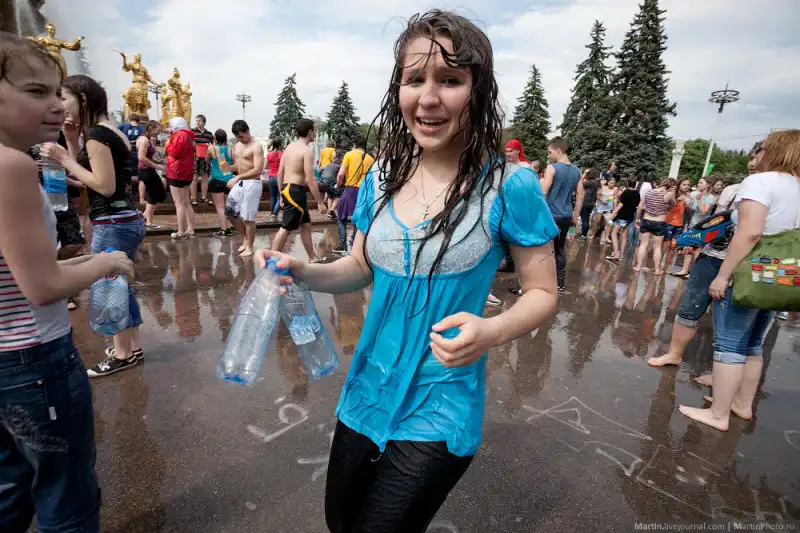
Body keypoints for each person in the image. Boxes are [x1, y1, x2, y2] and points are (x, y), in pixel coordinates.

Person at [255, 12, 558, 532]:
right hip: (367, 387)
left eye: (450, 80)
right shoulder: (381, 177)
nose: (429, 97)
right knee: (340, 523)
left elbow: (543, 291)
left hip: (442, 400)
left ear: (478, 90)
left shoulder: (511, 185)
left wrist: (491, 331)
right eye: (415, 79)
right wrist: (301, 270)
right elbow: (359, 267)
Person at [0, 34, 134, 532]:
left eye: (57, 92)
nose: (57, 104)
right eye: (36, 91)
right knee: (67, 494)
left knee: (11, 487)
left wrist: (90, 261)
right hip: (33, 360)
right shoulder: (12, 165)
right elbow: (40, 287)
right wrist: (105, 264)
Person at [678, 130, 800, 431]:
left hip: (748, 271)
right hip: (777, 274)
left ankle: (717, 414)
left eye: (762, 148)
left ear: (775, 151)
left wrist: (723, 275)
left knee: (729, 344)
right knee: (754, 344)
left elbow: (750, 232)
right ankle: (742, 404)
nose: (757, 153)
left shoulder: (761, 182)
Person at [40, 74, 146, 379]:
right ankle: (132, 347)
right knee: (120, 285)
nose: (60, 104)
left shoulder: (98, 135)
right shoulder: (106, 132)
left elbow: (104, 186)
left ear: (83, 99)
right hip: (123, 219)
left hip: (113, 222)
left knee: (109, 285)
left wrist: (63, 157)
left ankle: (122, 355)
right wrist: (71, 140)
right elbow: (87, 174)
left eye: (63, 97)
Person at [647, 177, 744, 368]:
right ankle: (674, 354)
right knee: (689, 309)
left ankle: (722, 373)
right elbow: (716, 224)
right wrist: (697, 242)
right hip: (713, 256)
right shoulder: (733, 190)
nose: (754, 164)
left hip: (744, 262)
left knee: (731, 320)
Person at [270, 118, 326, 262]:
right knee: (286, 227)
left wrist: (282, 194)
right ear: (310, 131)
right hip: (295, 191)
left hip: (288, 189)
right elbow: (311, 180)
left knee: (306, 225)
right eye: (315, 130)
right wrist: (320, 202)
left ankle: (312, 257)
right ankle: (271, 260)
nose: (316, 133)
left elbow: (280, 174)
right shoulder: (306, 151)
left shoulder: (289, 147)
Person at [541, 136, 583, 292]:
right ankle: (559, 283)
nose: (549, 155)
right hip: (565, 215)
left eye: (550, 152)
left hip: (550, 215)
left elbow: (543, 193)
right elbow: (580, 195)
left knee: (541, 249)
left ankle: (538, 283)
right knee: (559, 249)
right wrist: (575, 216)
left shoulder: (552, 168)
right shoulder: (577, 171)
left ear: (558, 150)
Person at [225, 120, 264, 257]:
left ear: (247, 131)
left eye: (241, 136)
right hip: (240, 182)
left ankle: (250, 246)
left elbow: (258, 169)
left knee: (248, 218)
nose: (240, 139)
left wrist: (238, 177)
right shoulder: (237, 145)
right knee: (229, 213)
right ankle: (246, 238)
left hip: (253, 183)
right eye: (238, 137)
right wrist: (229, 168)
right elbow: (238, 165)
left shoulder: (256, 146)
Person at [334, 136, 375, 254]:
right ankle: (354, 242)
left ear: (354, 144)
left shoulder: (349, 155)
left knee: (341, 216)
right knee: (360, 216)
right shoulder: (370, 159)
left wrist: (338, 184)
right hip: (364, 191)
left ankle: (342, 246)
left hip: (351, 189)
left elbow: (341, 174)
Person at [633, 178, 676, 275]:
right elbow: (673, 205)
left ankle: (638, 266)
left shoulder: (649, 192)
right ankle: (657, 270)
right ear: (671, 186)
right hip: (659, 222)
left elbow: (640, 207)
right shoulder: (669, 194)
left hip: (646, 219)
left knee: (643, 244)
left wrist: (637, 219)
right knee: (657, 247)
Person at [165, 116, 196, 239]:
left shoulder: (179, 135)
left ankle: (180, 231)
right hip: (186, 171)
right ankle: (190, 229)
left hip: (177, 171)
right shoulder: (188, 136)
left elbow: (175, 153)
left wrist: (167, 144)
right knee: (186, 202)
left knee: (179, 203)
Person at [136, 120, 167, 230]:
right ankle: (146, 218)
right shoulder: (144, 140)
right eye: (158, 130)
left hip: (148, 170)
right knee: (156, 195)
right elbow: (141, 157)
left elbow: (148, 156)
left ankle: (147, 219)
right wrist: (157, 166)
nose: (159, 132)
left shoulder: (146, 139)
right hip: (146, 170)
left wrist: (159, 162)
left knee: (157, 195)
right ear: (151, 128)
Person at [206, 128, 234, 237]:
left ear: (215, 138)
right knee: (227, 205)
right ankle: (229, 227)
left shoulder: (212, 148)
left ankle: (224, 230)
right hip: (229, 179)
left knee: (219, 206)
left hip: (217, 179)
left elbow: (207, 160)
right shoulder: (230, 148)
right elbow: (230, 162)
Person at [661, 178, 692, 273]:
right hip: (669, 223)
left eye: (688, 185)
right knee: (665, 245)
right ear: (679, 185)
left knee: (673, 246)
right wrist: (677, 200)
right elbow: (666, 206)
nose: (686, 187)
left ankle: (665, 268)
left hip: (679, 225)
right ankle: (657, 266)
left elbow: (690, 210)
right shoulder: (673, 194)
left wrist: (688, 204)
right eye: (684, 184)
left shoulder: (687, 196)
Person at [606, 179, 640, 260]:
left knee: (613, 233)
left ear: (628, 184)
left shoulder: (626, 192)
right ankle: (621, 255)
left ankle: (616, 253)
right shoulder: (637, 193)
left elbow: (621, 204)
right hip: (630, 217)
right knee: (624, 236)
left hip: (622, 216)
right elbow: (637, 205)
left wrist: (613, 214)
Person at [118, 113, 145, 202]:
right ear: (138, 120)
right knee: (138, 174)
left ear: (129, 119)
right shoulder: (141, 129)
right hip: (137, 153)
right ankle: (139, 196)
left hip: (125, 153)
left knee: (126, 174)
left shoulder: (123, 126)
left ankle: (126, 195)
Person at [191, 114, 213, 205]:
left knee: (205, 177)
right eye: (196, 121)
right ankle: (193, 197)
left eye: (199, 121)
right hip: (195, 157)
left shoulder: (209, 134)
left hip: (205, 157)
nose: (197, 123)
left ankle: (203, 197)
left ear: (204, 122)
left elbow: (213, 145)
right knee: (194, 177)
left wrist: (209, 146)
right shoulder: (192, 132)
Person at [589, 175, 617, 241]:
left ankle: (607, 238)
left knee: (609, 223)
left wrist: (615, 209)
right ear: (608, 182)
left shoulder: (615, 189)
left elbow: (615, 199)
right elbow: (597, 195)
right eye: (611, 183)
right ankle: (593, 234)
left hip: (609, 208)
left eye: (613, 183)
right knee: (597, 221)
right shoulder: (603, 187)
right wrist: (601, 200)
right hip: (600, 207)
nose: (612, 184)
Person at [320, 148, 344, 219]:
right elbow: (340, 175)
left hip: (322, 181)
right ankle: (331, 211)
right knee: (340, 194)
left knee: (330, 196)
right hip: (330, 181)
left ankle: (329, 212)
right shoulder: (340, 166)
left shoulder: (329, 164)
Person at [265, 138, 283, 218]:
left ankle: (272, 213)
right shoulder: (282, 154)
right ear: (280, 145)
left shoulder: (269, 154)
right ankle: (275, 214)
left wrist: (272, 166)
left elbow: (265, 166)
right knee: (280, 197)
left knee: (272, 197)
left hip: (271, 177)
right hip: (280, 178)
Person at [579, 168, 600, 238]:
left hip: (586, 202)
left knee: (584, 219)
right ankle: (584, 233)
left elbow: (579, 183)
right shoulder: (596, 182)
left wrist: (584, 173)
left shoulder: (591, 182)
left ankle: (583, 234)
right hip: (591, 203)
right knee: (586, 218)